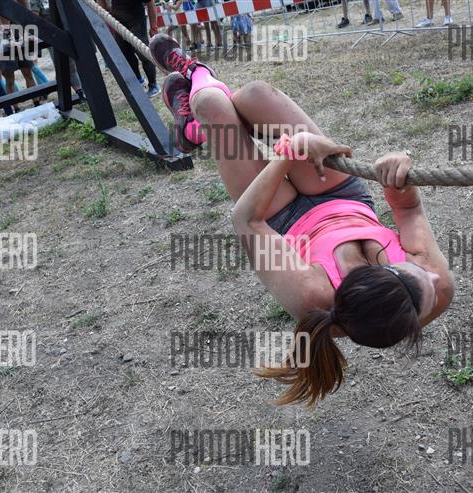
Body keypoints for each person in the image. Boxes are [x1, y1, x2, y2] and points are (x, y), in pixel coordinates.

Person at [148, 34, 455, 406]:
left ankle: (195, 81)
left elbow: (246, 221)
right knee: (254, 97)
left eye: (423, 276)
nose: (435, 274)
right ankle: (194, 131)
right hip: (343, 198)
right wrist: (398, 173)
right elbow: (408, 211)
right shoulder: (436, 292)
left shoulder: (313, 296)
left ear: (379, 273)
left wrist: (290, 151)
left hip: (278, 217)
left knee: (214, 106)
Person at [97, 0, 161, 98]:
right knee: (125, 53)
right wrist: (107, 20)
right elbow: (101, 3)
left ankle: (153, 85)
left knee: (143, 54)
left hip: (136, 19)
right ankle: (139, 80)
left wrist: (154, 28)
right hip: (118, 20)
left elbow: (150, 3)